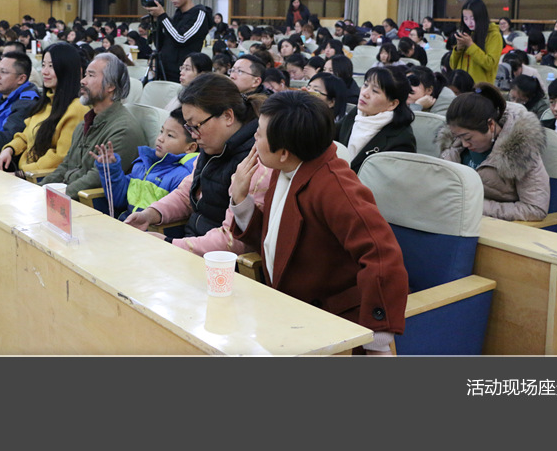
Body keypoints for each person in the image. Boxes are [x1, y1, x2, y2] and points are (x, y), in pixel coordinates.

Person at [228, 90, 409, 354]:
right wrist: (241, 200)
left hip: (334, 324)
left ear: (283, 152)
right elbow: (279, 243)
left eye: (260, 133)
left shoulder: (336, 187)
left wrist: (377, 341)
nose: (254, 137)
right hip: (291, 312)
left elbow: (383, 255)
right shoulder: (286, 169)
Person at [124, 73, 271, 256]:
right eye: (189, 127)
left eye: (196, 126)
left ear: (228, 116)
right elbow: (186, 194)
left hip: (218, 262)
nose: (193, 135)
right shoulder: (212, 148)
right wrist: (150, 214)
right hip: (191, 246)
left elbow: (233, 240)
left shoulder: (255, 161)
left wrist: (170, 244)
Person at [30, 53, 144, 199]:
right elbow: (65, 166)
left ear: (110, 86)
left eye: (91, 75)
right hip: (66, 198)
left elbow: (96, 179)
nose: (83, 81)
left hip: (89, 204)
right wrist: (39, 191)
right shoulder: (84, 124)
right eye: (85, 75)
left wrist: (54, 197)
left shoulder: (123, 130)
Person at [439, 83, 549, 221]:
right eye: (458, 137)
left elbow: (535, 209)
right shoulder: (453, 148)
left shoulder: (521, 151)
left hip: (498, 226)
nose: (464, 144)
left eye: (468, 138)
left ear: (490, 125)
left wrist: (475, 206)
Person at [0, 42, 88, 175]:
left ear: (66, 69)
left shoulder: (77, 108)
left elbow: (60, 157)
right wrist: (9, 149)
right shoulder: (45, 103)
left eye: (51, 66)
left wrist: (22, 173)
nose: (44, 71)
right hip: (23, 171)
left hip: (40, 178)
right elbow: (26, 135)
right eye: (43, 65)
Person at [91, 108, 198, 219]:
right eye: (161, 131)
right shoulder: (143, 164)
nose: (160, 139)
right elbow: (119, 199)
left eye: (170, 135)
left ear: (190, 148)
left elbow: (173, 215)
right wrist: (110, 168)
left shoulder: (185, 175)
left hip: (149, 227)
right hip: (126, 223)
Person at [337, 65, 416, 172]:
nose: (364, 93)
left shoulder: (402, 140)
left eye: (375, 91)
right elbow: (329, 135)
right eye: (365, 85)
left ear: (392, 104)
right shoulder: (358, 113)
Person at [143, 0, 213, 83]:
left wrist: (162, 16)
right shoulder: (177, 15)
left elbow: (181, 39)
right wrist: (157, 21)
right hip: (164, 72)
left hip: (182, 75)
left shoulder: (200, 14)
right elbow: (160, 45)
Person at [449, 0, 503, 85]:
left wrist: (470, 45)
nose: (469, 22)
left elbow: (489, 64)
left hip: (481, 87)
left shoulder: (494, 35)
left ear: (481, 17)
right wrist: (457, 49)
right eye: (465, 18)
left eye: (473, 18)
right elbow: (452, 66)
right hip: (461, 86)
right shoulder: (466, 34)